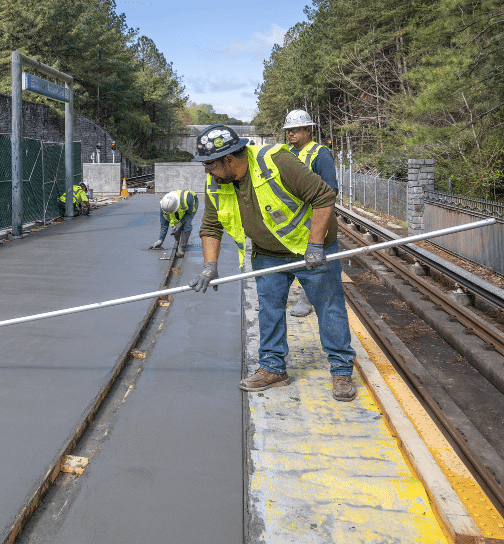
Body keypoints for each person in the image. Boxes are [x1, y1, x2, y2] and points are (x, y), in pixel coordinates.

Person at [187, 124, 357, 402]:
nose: (207, 171)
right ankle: (273, 368)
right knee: (269, 309)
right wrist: (209, 265)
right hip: (267, 253)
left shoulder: (276, 161)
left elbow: (324, 196)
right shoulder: (216, 182)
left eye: (210, 164)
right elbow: (210, 225)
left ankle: (341, 371)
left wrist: (315, 244)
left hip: (309, 249)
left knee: (329, 306)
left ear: (229, 158)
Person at [283, 109, 339, 317]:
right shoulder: (286, 153)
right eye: (289, 130)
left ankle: (305, 300)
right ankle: (278, 298)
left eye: (295, 129)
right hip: (291, 218)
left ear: (309, 129)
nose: (291, 134)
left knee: (313, 260)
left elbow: (331, 189)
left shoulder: (320, 153)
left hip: (312, 216)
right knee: (286, 259)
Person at [148, 189, 197, 258]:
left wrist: (180, 223)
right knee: (174, 225)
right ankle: (180, 241)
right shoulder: (164, 205)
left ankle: (182, 247)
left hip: (192, 202)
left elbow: (189, 214)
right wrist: (160, 240)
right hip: (177, 206)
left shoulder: (188, 199)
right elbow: (164, 224)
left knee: (187, 225)